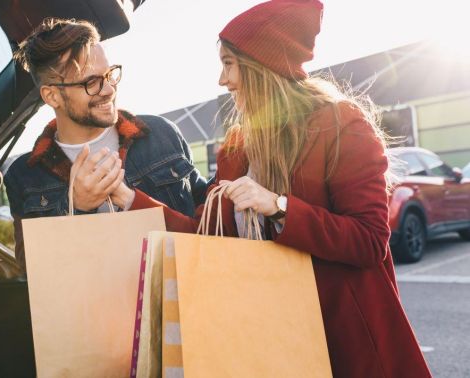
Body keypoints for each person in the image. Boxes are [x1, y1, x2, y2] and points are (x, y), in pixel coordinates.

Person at [128, 1, 432, 376]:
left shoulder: (341, 126)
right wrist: (127, 199)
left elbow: (369, 241)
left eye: (228, 64)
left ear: (260, 66)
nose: (222, 80)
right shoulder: (237, 146)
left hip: (343, 343)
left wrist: (280, 206)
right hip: (270, 338)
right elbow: (204, 236)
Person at [4, 18, 207, 269]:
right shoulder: (24, 175)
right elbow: (33, 269)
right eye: (91, 82)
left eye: (109, 74)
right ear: (52, 95)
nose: (109, 89)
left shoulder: (161, 133)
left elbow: (207, 221)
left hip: (182, 301)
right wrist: (76, 208)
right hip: (93, 308)